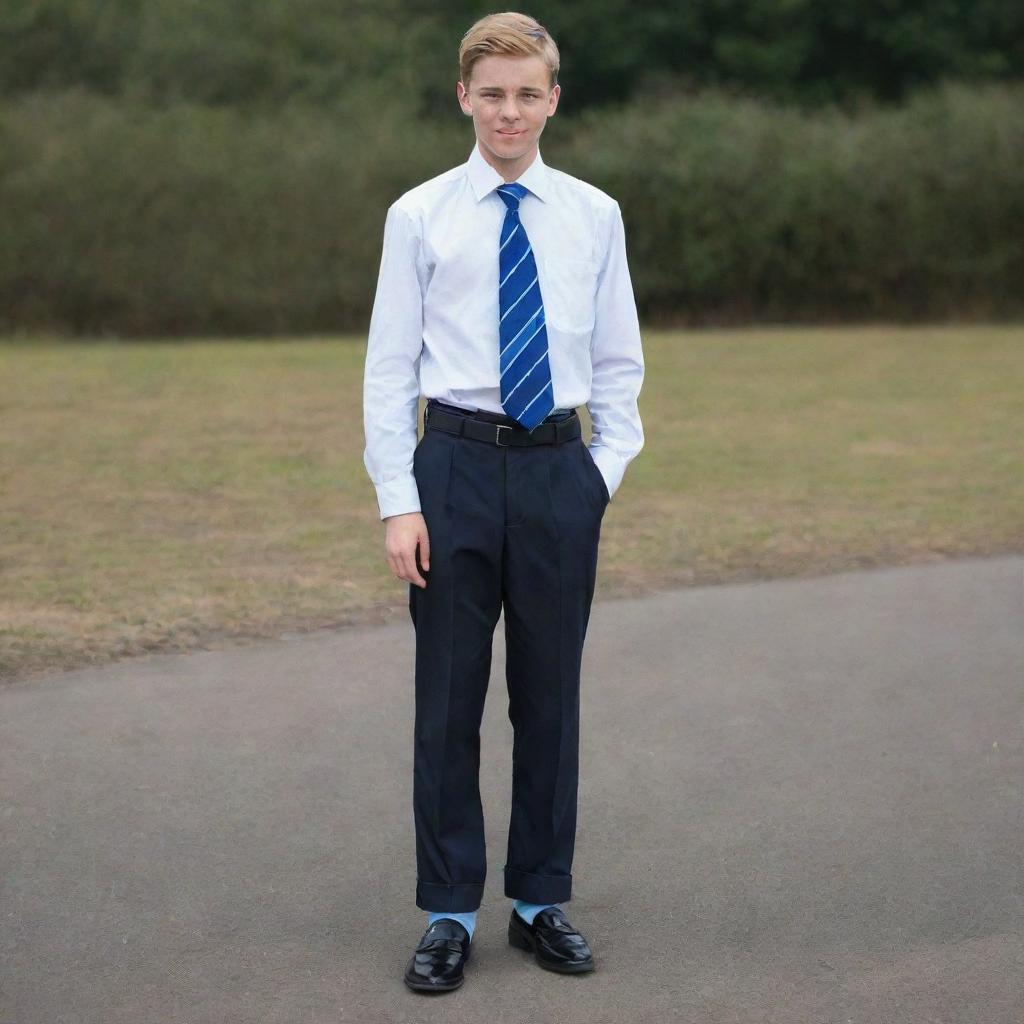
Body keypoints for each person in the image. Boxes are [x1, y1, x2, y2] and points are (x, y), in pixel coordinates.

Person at [362, 10, 645, 993]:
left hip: (557, 474)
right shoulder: (420, 216)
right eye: (493, 93)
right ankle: (447, 910)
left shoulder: (592, 215)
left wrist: (594, 480)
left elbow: (618, 367)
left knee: (548, 698)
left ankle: (537, 899)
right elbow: (387, 369)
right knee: (446, 699)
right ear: (463, 98)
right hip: (453, 472)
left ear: (553, 99)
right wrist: (401, 499)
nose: (510, 110)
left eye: (528, 93)